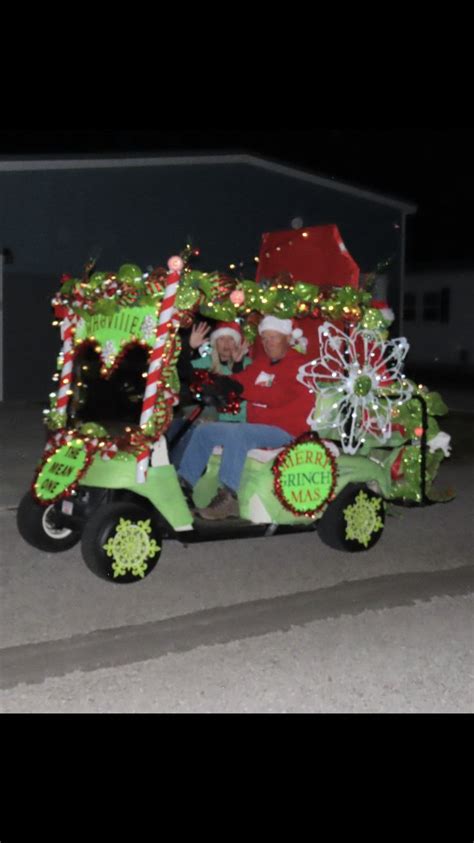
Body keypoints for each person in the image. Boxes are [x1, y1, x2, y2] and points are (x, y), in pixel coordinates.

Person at [177, 316, 314, 519]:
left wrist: (239, 388)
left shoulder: (300, 365)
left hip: (286, 430)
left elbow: (277, 395)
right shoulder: (261, 364)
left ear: (286, 337)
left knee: (238, 433)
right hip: (257, 428)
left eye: (273, 338)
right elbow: (240, 379)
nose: (268, 343)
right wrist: (218, 384)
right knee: (205, 430)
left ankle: (229, 497)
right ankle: (183, 487)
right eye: (265, 338)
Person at [167, 321, 251, 466]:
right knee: (174, 426)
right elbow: (182, 372)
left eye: (231, 339)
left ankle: (181, 473)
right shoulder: (205, 364)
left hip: (235, 423)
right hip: (205, 419)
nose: (226, 344)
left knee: (193, 432)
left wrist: (237, 365)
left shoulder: (247, 365)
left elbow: (240, 390)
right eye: (222, 339)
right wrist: (188, 347)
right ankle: (167, 469)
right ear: (214, 343)